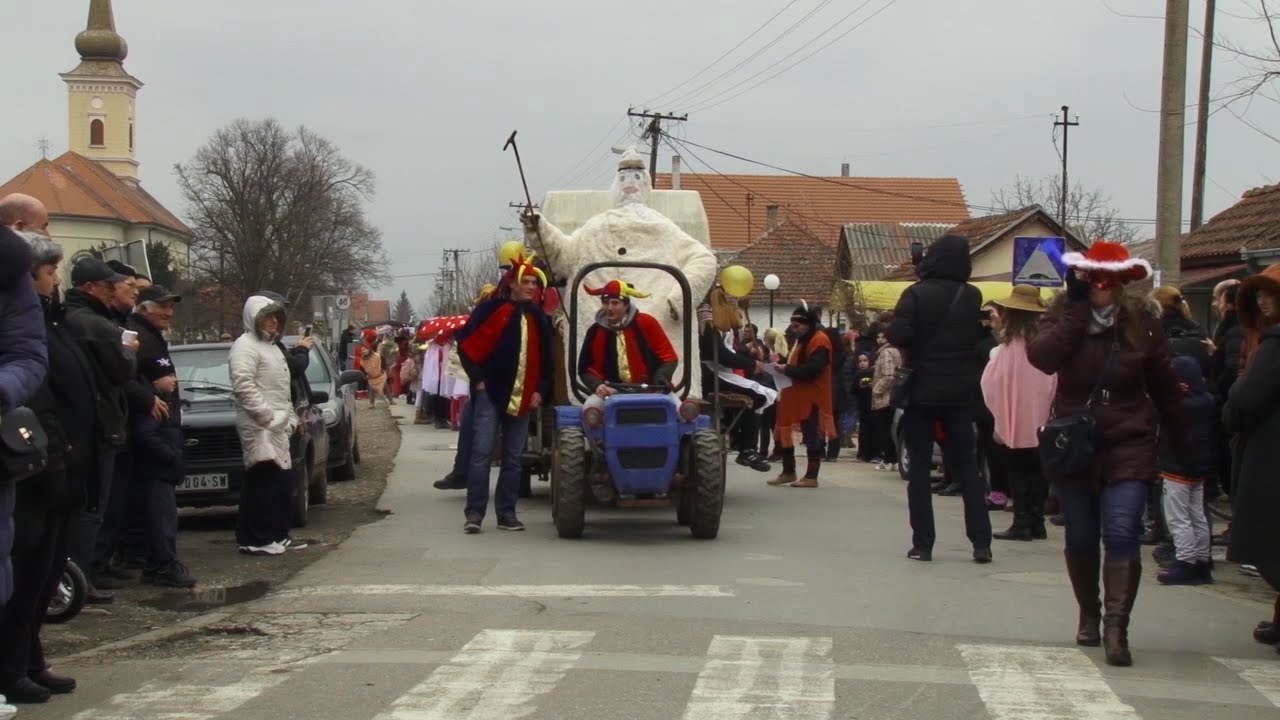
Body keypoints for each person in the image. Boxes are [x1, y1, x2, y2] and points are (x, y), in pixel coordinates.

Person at [1027, 241, 1187, 667]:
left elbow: (1167, 387)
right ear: (1080, 279)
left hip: (1129, 439)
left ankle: (1117, 627)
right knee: (1080, 536)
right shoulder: (1062, 316)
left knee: (1121, 532)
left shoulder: (1144, 324)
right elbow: (1041, 359)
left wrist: (1185, 445)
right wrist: (1076, 313)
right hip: (1075, 443)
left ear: (1123, 283)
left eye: (1110, 279)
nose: (1102, 287)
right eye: (1094, 278)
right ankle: (1089, 612)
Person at [525, 148, 718, 397]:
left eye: (637, 178)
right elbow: (563, 256)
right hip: (605, 365)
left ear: (646, 183)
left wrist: (678, 299)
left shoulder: (663, 229)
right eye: (624, 178)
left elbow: (704, 259)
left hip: (658, 325)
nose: (630, 184)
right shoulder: (596, 228)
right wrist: (541, 230)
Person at [887, 234, 990, 564]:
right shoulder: (971, 295)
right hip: (960, 392)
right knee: (968, 468)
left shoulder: (915, 293)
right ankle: (981, 543)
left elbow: (899, 335)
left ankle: (924, 544)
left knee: (918, 468)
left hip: (923, 391)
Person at [1, 232, 69, 709]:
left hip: (25, 451)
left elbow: (28, 357)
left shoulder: (8, 267)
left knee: (20, 571)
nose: (56, 279)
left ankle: (18, 664)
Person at [455, 254, 552, 533]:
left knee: (513, 458)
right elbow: (466, 345)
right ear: (512, 285)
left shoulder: (538, 317)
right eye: (527, 282)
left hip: (523, 396)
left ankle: (507, 514)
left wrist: (540, 391)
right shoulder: (489, 310)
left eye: (535, 282)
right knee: (482, 453)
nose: (533, 287)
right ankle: (474, 513)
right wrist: (479, 381)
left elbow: (547, 361)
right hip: (491, 393)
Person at [62, 257, 135, 603]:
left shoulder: (68, 319)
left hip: (84, 425)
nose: (112, 293)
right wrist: (129, 351)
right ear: (89, 288)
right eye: (108, 287)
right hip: (98, 427)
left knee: (85, 506)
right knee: (91, 507)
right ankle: (81, 578)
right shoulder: (95, 325)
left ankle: (80, 575)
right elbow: (122, 371)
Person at [1223, 262, 1280, 649]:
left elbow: (1246, 400)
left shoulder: (1276, 345)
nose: (1262, 300)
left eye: (1269, 293)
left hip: (1272, 457)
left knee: (1271, 541)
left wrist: (1230, 406)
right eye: (1257, 293)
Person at [127, 285, 196, 587]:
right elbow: (131, 379)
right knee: (159, 508)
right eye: (161, 307)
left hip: (164, 428)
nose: (168, 313)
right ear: (143, 309)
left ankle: (159, 561)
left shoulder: (153, 337)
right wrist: (154, 391)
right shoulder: (137, 336)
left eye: (171, 307)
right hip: (154, 430)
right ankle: (163, 563)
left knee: (161, 507)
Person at [981, 285, 1056, 542]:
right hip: (1042, 415)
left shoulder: (1011, 345)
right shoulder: (1045, 341)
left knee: (1018, 466)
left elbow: (993, 381)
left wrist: (1000, 412)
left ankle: (1022, 522)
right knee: (1037, 467)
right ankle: (1036, 521)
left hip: (1015, 415)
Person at [228, 295, 301, 556]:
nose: (273, 322)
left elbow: (282, 388)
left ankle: (274, 534)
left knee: (277, 483)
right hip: (260, 426)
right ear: (255, 319)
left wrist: (289, 418)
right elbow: (243, 384)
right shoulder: (245, 346)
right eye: (268, 317)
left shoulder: (271, 347)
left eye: (276, 317)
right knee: (261, 481)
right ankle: (255, 538)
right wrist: (265, 416)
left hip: (277, 425)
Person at [695, 288, 776, 473]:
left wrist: (749, 354)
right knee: (759, 395)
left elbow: (730, 351)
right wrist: (750, 363)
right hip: (710, 373)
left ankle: (743, 443)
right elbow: (717, 353)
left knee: (760, 394)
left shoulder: (719, 318)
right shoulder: (705, 317)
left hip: (721, 370)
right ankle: (746, 447)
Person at [1154, 356, 1216, 585]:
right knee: (1197, 515)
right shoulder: (1207, 401)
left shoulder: (1175, 405)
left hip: (1176, 468)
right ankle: (1202, 561)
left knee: (1178, 518)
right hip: (1199, 468)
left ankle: (1185, 561)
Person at [579, 279, 678, 410]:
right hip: (611, 392)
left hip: (650, 390)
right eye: (606, 302)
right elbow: (585, 368)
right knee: (589, 410)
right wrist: (597, 385)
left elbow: (669, 358)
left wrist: (660, 379)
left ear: (626, 305)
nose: (609, 308)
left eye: (615, 303)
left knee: (680, 412)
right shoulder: (595, 331)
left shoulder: (647, 323)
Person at [766, 302, 835, 489]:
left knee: (811, 434)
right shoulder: (803, 340)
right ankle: (788, 471)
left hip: (811, 396)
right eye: (793, 325)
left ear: (808, 324)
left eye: (797, 326)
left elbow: (814, 369)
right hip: (794, 394)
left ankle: (812, 476)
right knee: (784, 430)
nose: (793, 329)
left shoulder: (819, 340)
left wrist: (787, 369)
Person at [869, 328, 901, 472]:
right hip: (893, 395)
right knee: (889, 429)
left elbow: (889, 375)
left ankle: (889, 459)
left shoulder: (886, 352)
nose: (879, 340)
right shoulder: (896, 350)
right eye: (878, 336)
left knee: (884, 430)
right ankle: (891, 459)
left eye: (882, 337)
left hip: (885, 397)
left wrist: (876, 389)